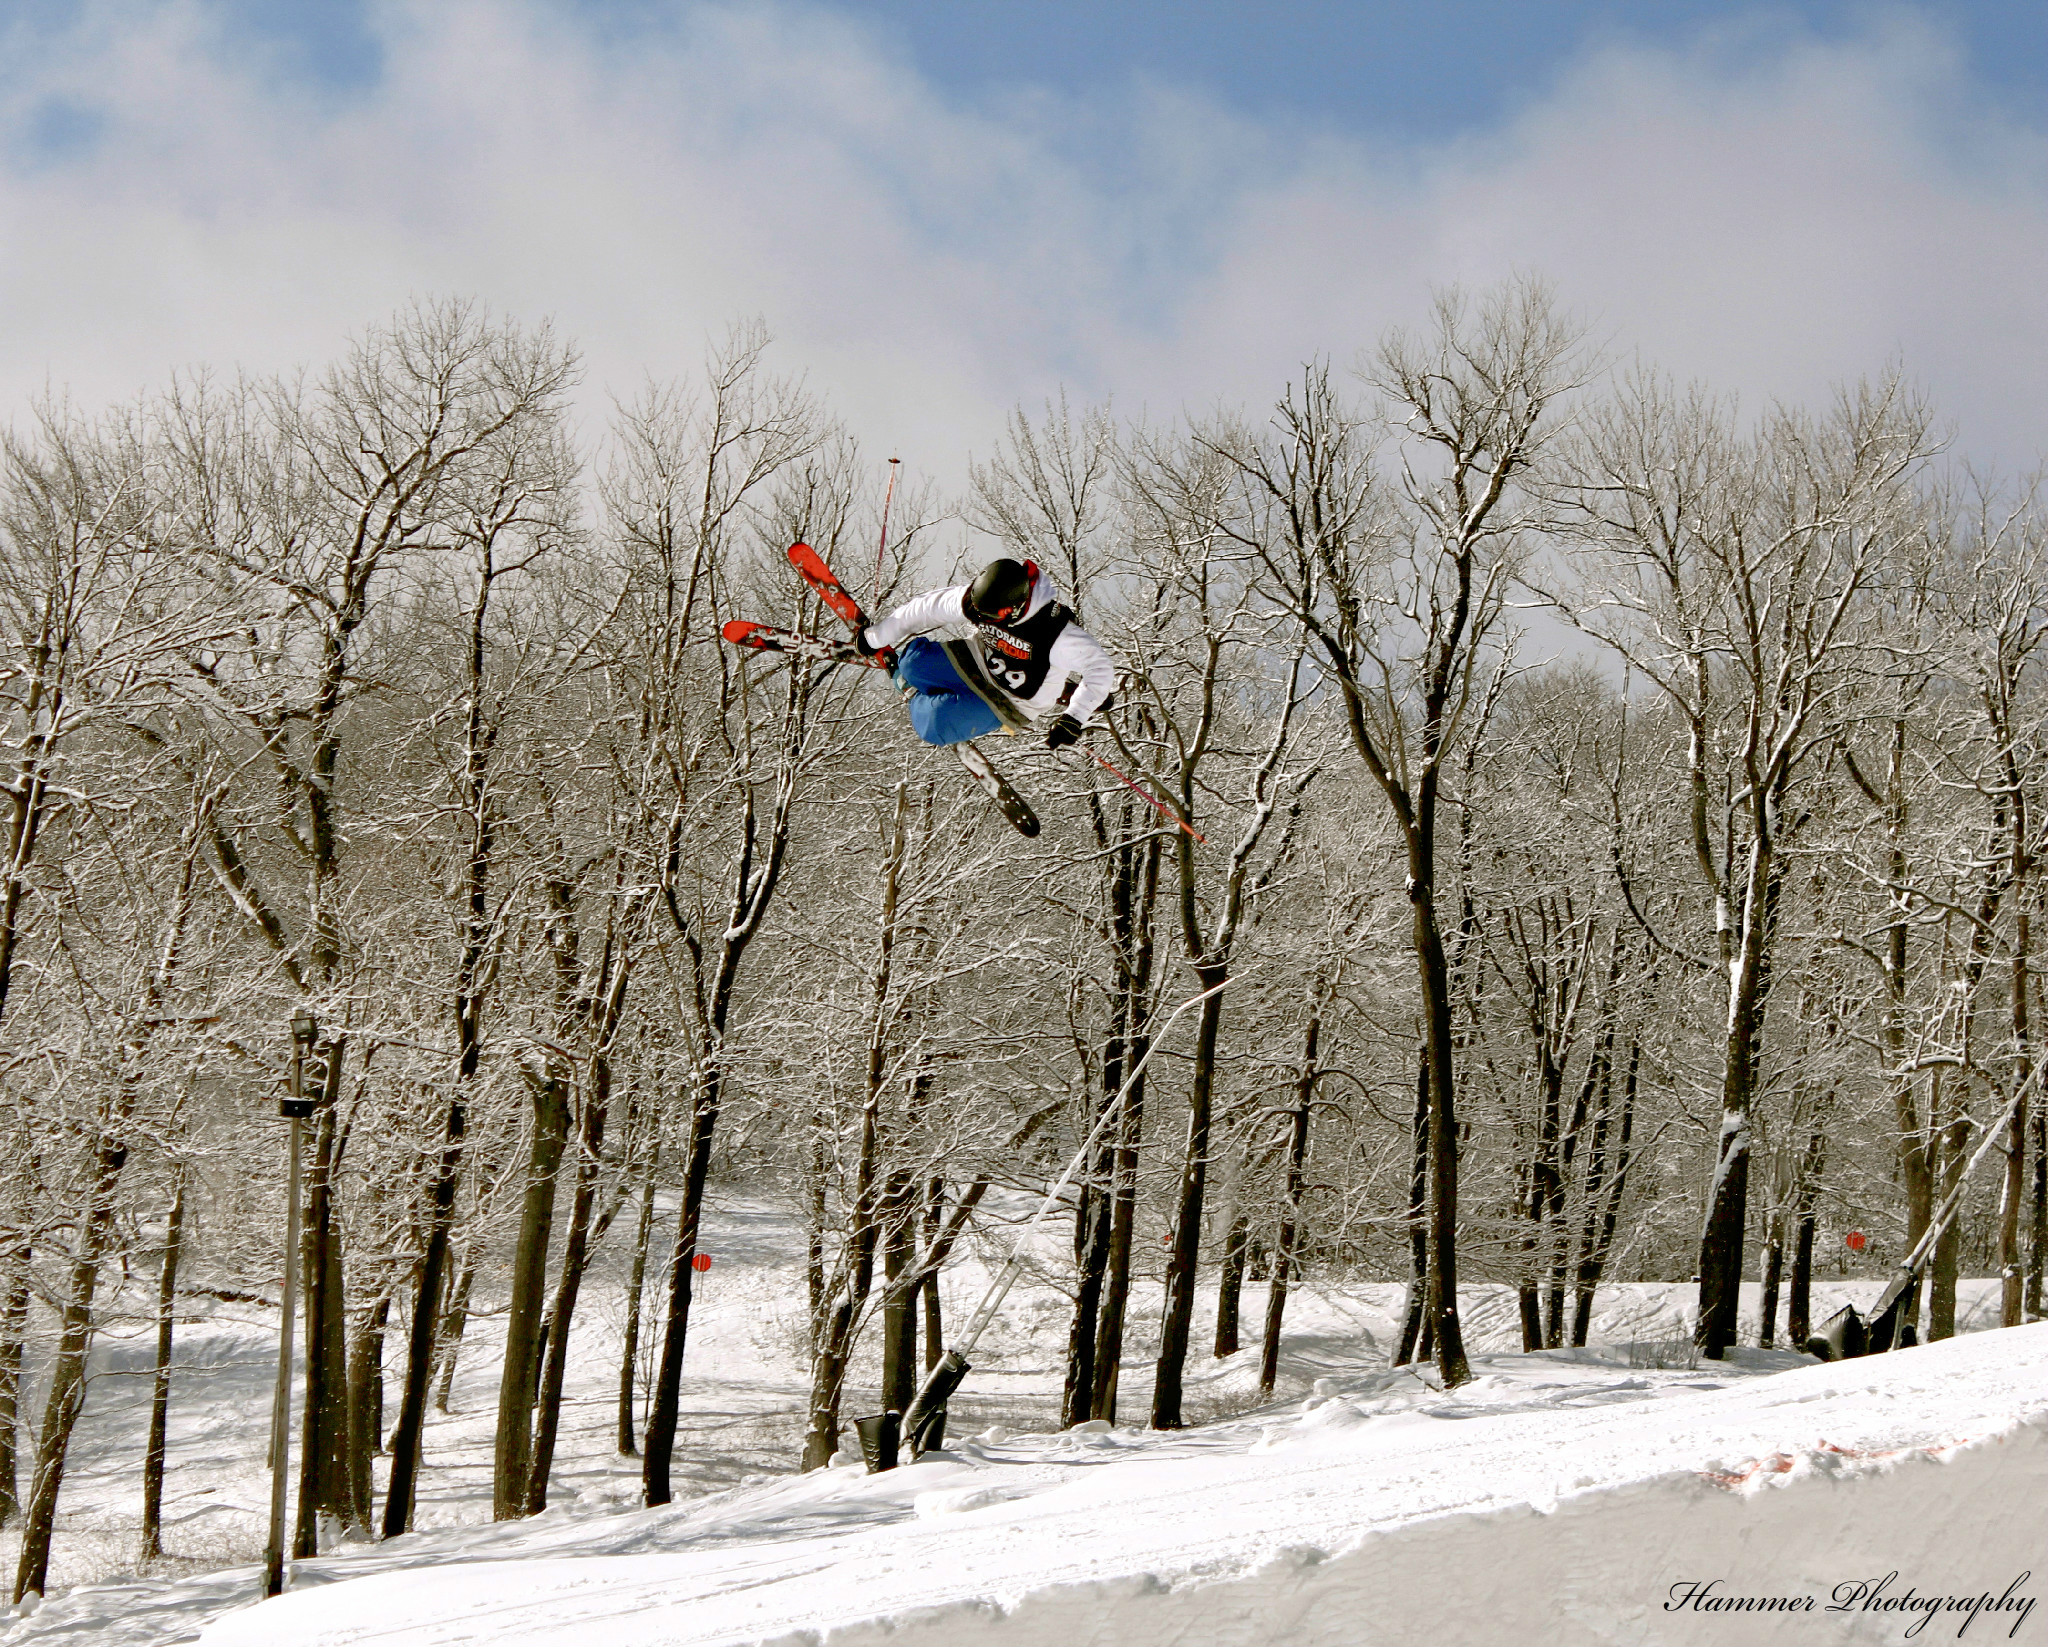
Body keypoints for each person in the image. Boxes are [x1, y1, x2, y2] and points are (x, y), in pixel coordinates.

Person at [854, 558, 1116, 750]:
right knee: (913, 663)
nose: (981, 618)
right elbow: (926, 608)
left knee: (932, 726)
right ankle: (915, 681)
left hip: (1010, 699)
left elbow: (1100, 668)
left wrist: (1075, 716)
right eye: (979, 612)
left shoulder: (1056, 634)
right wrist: (877, 637)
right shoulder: (980, 602)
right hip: (979, 661)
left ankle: (919, 697)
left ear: (1013, 609)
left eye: (989, 616)